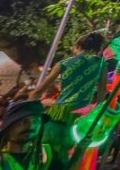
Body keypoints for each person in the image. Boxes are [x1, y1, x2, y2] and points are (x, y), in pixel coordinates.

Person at [0, 100, 88, 170]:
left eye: (36, 121)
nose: (30, 126)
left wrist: (80, 151)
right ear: (7, 127)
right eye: (23, 122)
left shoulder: (45, 153)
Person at [30, 31, 107, 161]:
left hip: (57, 113)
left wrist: (29, 111)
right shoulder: (101, 64)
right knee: (65, 156)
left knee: (46, 153)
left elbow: (37, 92)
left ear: (78, 46)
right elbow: (101, 94)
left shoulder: (63, 64)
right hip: (80, 116)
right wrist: (96, 115)